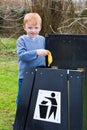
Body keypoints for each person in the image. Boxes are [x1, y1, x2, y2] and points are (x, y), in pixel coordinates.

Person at [16, 12, 50, 105]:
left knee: (37, 96)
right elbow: (22, 55)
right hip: (25, 76)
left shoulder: (43, 40)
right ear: (24, 27)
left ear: (40, 27)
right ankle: (20, 118)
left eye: (36, 28)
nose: (33, 31)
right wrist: (36, 52)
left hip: (40, 75)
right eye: (30, 27)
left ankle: (32, 117)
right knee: (23, 96)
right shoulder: (21, 40)